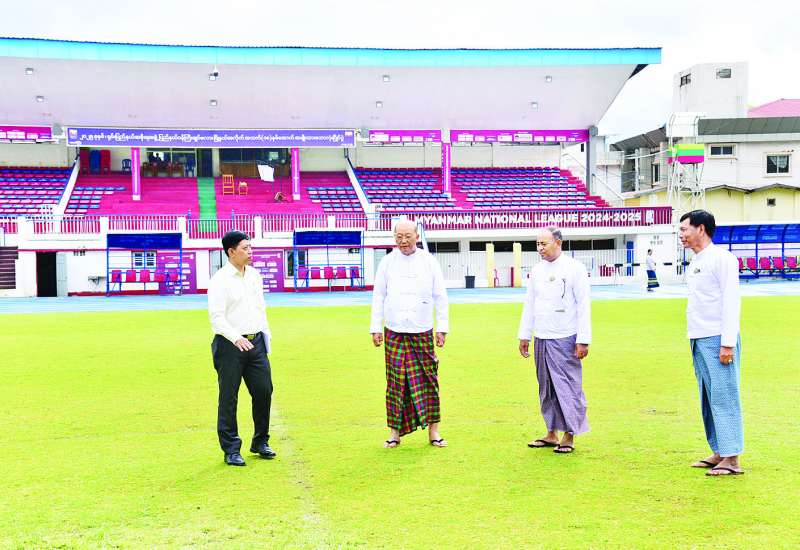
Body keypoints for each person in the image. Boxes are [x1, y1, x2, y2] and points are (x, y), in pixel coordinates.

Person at [370, 219, 449, 448]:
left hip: (422, 328)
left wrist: (442, 328)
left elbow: (440, 296)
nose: (403, 241)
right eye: (399, 237)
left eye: (407, 236)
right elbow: (378, 296)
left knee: (429, 379)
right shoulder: (387, 262)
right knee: (395, 382)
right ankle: (394, 433)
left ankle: (434, 431)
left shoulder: (429, 261)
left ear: (417, 236)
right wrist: (375, 327)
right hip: (393, 329)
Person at [679, 210, 744, 476]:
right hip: (698, 337)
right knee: (708, 397)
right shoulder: (696, 261)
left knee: (724, 396)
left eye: (684, 229)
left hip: (718, 338)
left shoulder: (722, 259)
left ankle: (732, 457)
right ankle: (719, 450)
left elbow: (731, 301)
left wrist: (727, 343)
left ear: (701, 229)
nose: (681, 235)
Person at [518, 226, 591, 454]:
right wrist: (524, 335)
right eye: (537, 244)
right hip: (541, 335)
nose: (540, 248)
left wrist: (583, 339)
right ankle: (551, 433)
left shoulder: (575, 268)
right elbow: (530, 303)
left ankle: (569, 434)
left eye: (544, 244)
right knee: (546, 388)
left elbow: (583, 305)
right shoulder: (537, 270)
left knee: (568, 387)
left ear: (558, 243)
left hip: (565, 336)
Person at [207, 231, 275, 466]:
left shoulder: (254, 275)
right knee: (229, 398)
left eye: (250, 247)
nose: (250, 252)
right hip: (229, 345)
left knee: (264, 391)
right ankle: (231, 449)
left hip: (256, 343)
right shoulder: (220, 280)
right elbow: (217, 317)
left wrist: (265, 338)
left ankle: (261, 441)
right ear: (231, 252)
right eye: (245, 248)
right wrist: (236, 338)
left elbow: (260, 309)